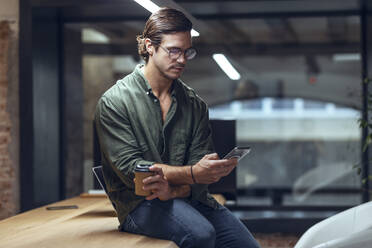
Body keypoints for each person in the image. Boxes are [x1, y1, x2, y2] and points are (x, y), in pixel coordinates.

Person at [94, 7, 260, 248]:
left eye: (186, 52)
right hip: (140, 203)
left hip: (187, 196)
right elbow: (133, 170)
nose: (182, 60)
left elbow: (199, 174)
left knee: (247, 246)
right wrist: (191, 174)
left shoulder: (194, 105)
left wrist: (175, 189)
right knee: (200, 235)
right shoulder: (114, 102)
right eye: (173, 51)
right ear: (149, 46)